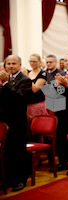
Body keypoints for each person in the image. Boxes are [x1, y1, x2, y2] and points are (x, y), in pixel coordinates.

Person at [0, 55, 32, 191]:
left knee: (18, 151)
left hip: (17, 121)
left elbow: (18, 98)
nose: (11, 66)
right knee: (7, 152)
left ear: (19, 65)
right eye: (8, 64)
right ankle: (7, 178)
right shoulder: (4, 80)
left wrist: (6, 84)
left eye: (13, 63)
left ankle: (20, 179)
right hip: (4, 120)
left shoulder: (25, 80)